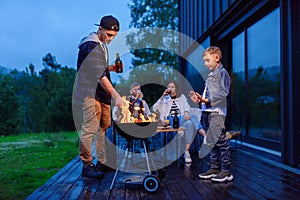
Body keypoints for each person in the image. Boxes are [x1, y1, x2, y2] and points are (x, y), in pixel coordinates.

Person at [75, 15, 125, 178]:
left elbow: (100, 69)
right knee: (90, 127)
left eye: (114, 36)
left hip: (101, 94)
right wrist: (117, 96)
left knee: (104, 126)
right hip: (90, 93)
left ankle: (102, 161)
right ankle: (87, 164)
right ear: (100, 29)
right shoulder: (90, 45)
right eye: (109, 35)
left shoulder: (100, 45)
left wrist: (110, 68)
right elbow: (99, 75)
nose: (111, 39)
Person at [189, 46, 233, 182]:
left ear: (217, 58)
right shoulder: (210, 75)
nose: (206, 64)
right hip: (207, 112)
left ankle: (226, 171)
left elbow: (223, 93)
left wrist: (207, 100)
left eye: (208, 60)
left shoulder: (222, 73)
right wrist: (199, 100)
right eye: (204, 61)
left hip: (216, 113)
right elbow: (207, 95)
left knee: (220, 142)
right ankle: (215, 168)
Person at [152, 81, 199, 163]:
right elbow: (155, 108)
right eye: (169, 86)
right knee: (193, 117)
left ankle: (186, 152)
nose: (170, 88)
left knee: (190, 124)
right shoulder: (165, 99)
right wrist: (162, 96)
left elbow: (186, 107)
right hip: (169, 121)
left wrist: (186, 112)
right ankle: (203, 133)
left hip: (181, 120)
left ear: (176, 88)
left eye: (172, 87)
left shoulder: (182, 97)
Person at [112, 82, 152, 158]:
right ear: (131, 91)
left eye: (139, 89)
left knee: (143, 128)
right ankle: (129, 149)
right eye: (135, 89)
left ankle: (143, 148)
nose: (138, 91)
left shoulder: (143, 102)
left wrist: (147, 117)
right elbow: (118, 111)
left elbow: (148, 114)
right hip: (128, 125)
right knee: (130, 129)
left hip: (140, 126)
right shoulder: (126, 101)